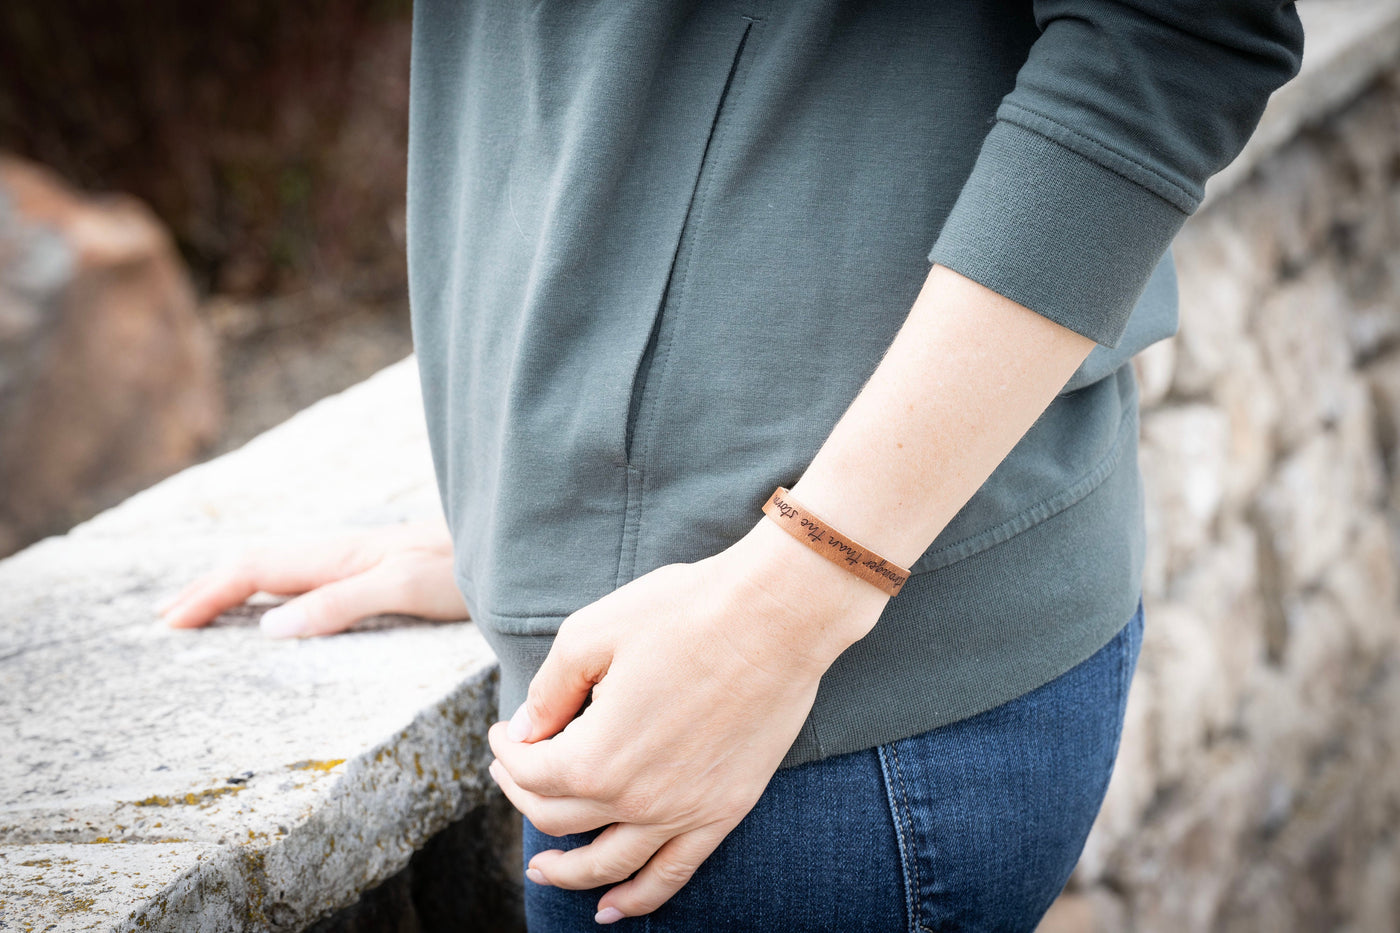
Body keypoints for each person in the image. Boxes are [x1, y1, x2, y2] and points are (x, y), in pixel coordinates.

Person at [159, 1, 1306, 929]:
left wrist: (794, 597)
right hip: (735, 642)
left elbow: (1178, 31)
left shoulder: (770, 661)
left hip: (799, 717)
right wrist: (539, 507)